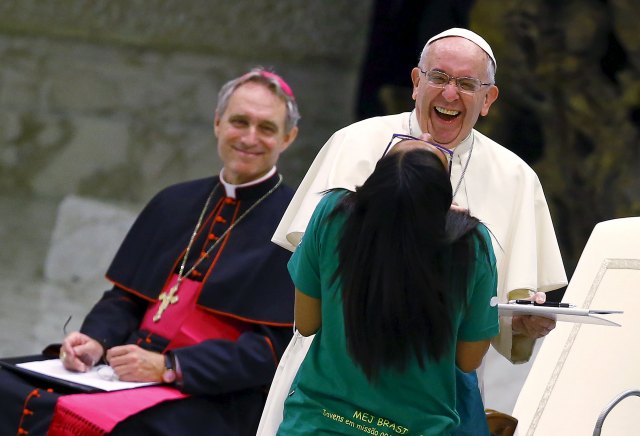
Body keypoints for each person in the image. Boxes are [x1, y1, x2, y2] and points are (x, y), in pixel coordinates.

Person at [258, 28, 567, 435]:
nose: (450, 94)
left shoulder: (516, 179)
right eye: (438, 77)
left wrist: (519, 325)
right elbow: (316, 297)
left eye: (467, 84)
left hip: (429, 401)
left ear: (489, 99)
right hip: (332, 390)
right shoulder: (353, 144)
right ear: (416, 82)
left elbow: (486, 318)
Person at [0, 67, 300, 435]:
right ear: (218, 123)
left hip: (215, 393)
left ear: (288, 138)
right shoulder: (174, 201)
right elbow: (125, 296)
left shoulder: (296, 226)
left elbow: (271, 351)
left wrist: (169, 366)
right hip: (123, 371)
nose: (250, 137)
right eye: (239, 121)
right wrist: (95, 340)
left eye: (266, 127)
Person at [277, 140, 499, 435]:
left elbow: (306, 323)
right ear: (442, 201)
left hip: (317, 422)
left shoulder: (332, 214)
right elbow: (468, 358)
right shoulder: (471, 244)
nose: (426, 136)